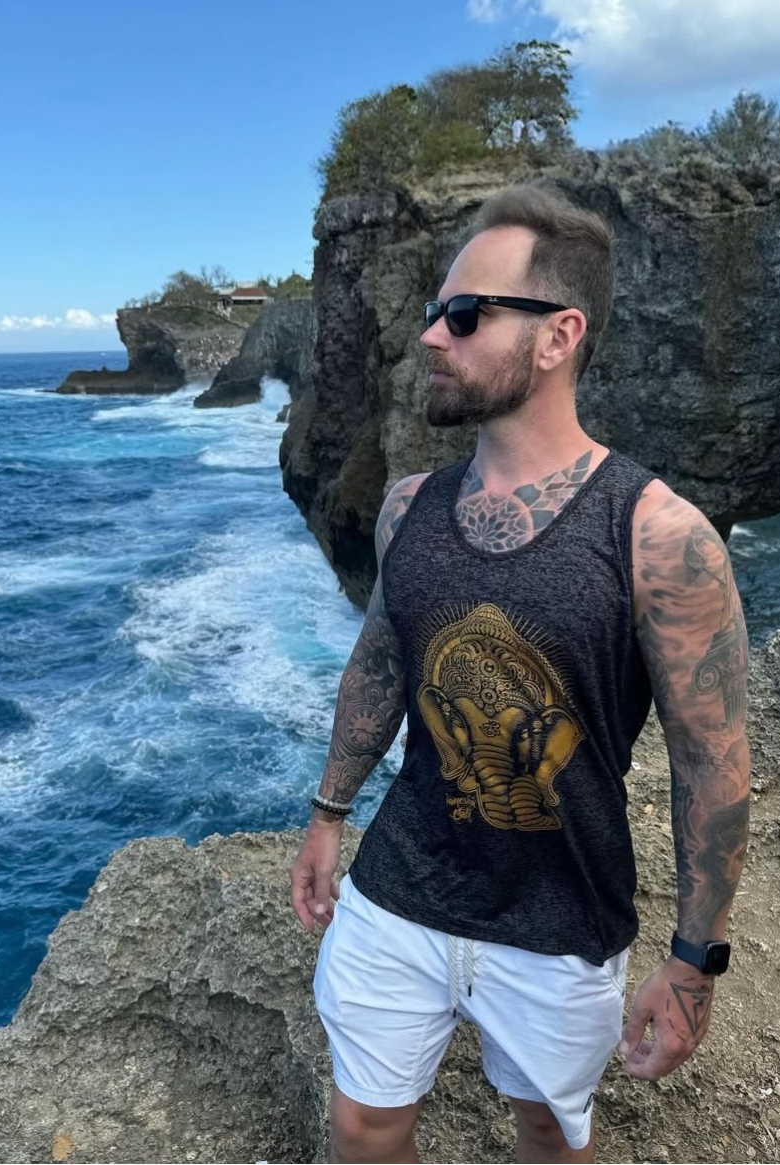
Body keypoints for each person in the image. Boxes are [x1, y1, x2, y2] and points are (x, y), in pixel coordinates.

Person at [290, 184, 750, 1165]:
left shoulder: (660, 535)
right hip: (398, 888)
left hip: (560, 918)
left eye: (463, 315)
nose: (429, 338)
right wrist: (329, 812)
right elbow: (378, 662)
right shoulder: (407, 506)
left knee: (547, 1135)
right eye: (431, 314)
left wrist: (692, 963)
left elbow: (713, 767)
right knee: (363, 1128)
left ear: (557, 335)